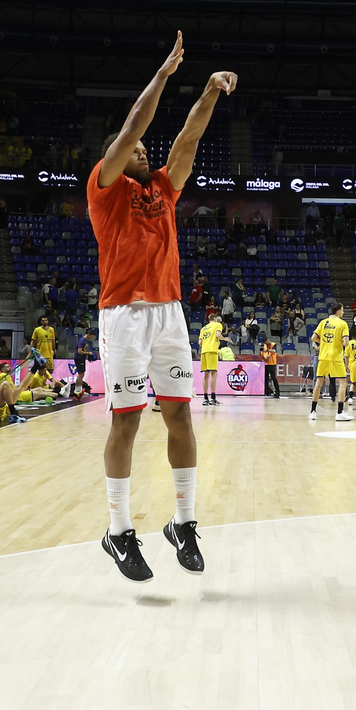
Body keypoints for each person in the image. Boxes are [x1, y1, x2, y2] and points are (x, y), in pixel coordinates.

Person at [88, 32, 234, 581]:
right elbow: (133, 128)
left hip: (169, 312)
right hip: (123, 313)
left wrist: (211, 92)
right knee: (125, 423)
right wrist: (164, 76)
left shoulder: (164, 190)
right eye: (138, 153)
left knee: (180, 416)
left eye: (149, 153)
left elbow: (187, 143)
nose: (146, 155)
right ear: (117, 159)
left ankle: (184, 522)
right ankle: (119, 530)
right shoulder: (104, 188)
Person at [308, 304, 352, 423]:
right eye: (342, 310)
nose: (343, 312)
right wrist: (338, 341)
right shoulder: (342, 324)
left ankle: (312, 412)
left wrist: (324, 343)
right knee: (343, 383)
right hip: (336, 357)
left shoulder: (324, 322)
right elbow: (346, 343)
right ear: (338, 311)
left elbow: (313, 338)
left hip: (323, 356)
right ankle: (339, 412)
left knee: (319, 383)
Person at [198, 312, 223, 406]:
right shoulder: (218, 324)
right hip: (212, 350)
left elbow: (200, 342)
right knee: (214, 374)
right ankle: (213, 398)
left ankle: (205, 398)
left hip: (204, 351)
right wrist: (224, 339)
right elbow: (217, 335)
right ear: (215, 318)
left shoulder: (203, 328)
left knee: (206, 375)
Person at [71, 328, 95, 399]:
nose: (92, 338)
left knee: (82, 374)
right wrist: (88, 353)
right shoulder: (82, 341)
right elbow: (79, 351)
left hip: (82, 358)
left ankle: (79, 389)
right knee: (80, 374)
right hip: (79, 358)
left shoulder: (85, 341)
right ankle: (77, 390)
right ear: (89, 334)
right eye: (92, 336)